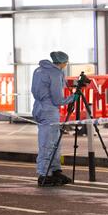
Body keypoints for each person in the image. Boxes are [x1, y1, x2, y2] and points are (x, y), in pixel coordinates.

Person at [31, 51, 75, 187]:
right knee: (48, 143)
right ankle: (44, 174)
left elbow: (35, 90)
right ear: (62, 62)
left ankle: (55, 170)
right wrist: (73, 98)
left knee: (53, 142)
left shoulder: (39, 70)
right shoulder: (55, 73)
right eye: (66, 63)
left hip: (39, 108)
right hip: (49, 111)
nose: (66, 65)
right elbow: (57, 100)